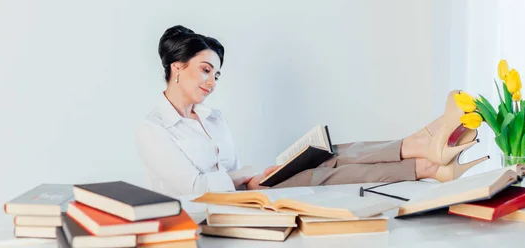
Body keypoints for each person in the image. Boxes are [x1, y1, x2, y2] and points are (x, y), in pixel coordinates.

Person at [136, 26, 488, 197]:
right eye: (205, 69)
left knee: (328, 157)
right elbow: (195, 188)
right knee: (323, 172)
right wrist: (246, 176)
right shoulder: (154, 129)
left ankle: (425, 158)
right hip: (203, 216)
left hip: (243, 196)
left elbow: (232, 176)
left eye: (216, 73)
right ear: (177, 67)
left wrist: (252, 178)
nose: (213, 80)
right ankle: (426, 151)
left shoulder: (214, 118)